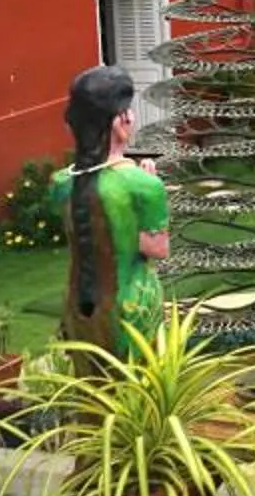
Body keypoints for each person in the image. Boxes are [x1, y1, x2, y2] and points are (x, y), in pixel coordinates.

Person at [55, 65, 171, 355]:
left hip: (78, 308)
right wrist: (152, 186)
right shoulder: (142, 185)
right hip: (132, 309)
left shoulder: (60, 183)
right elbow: (157, 248)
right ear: (122, 121)